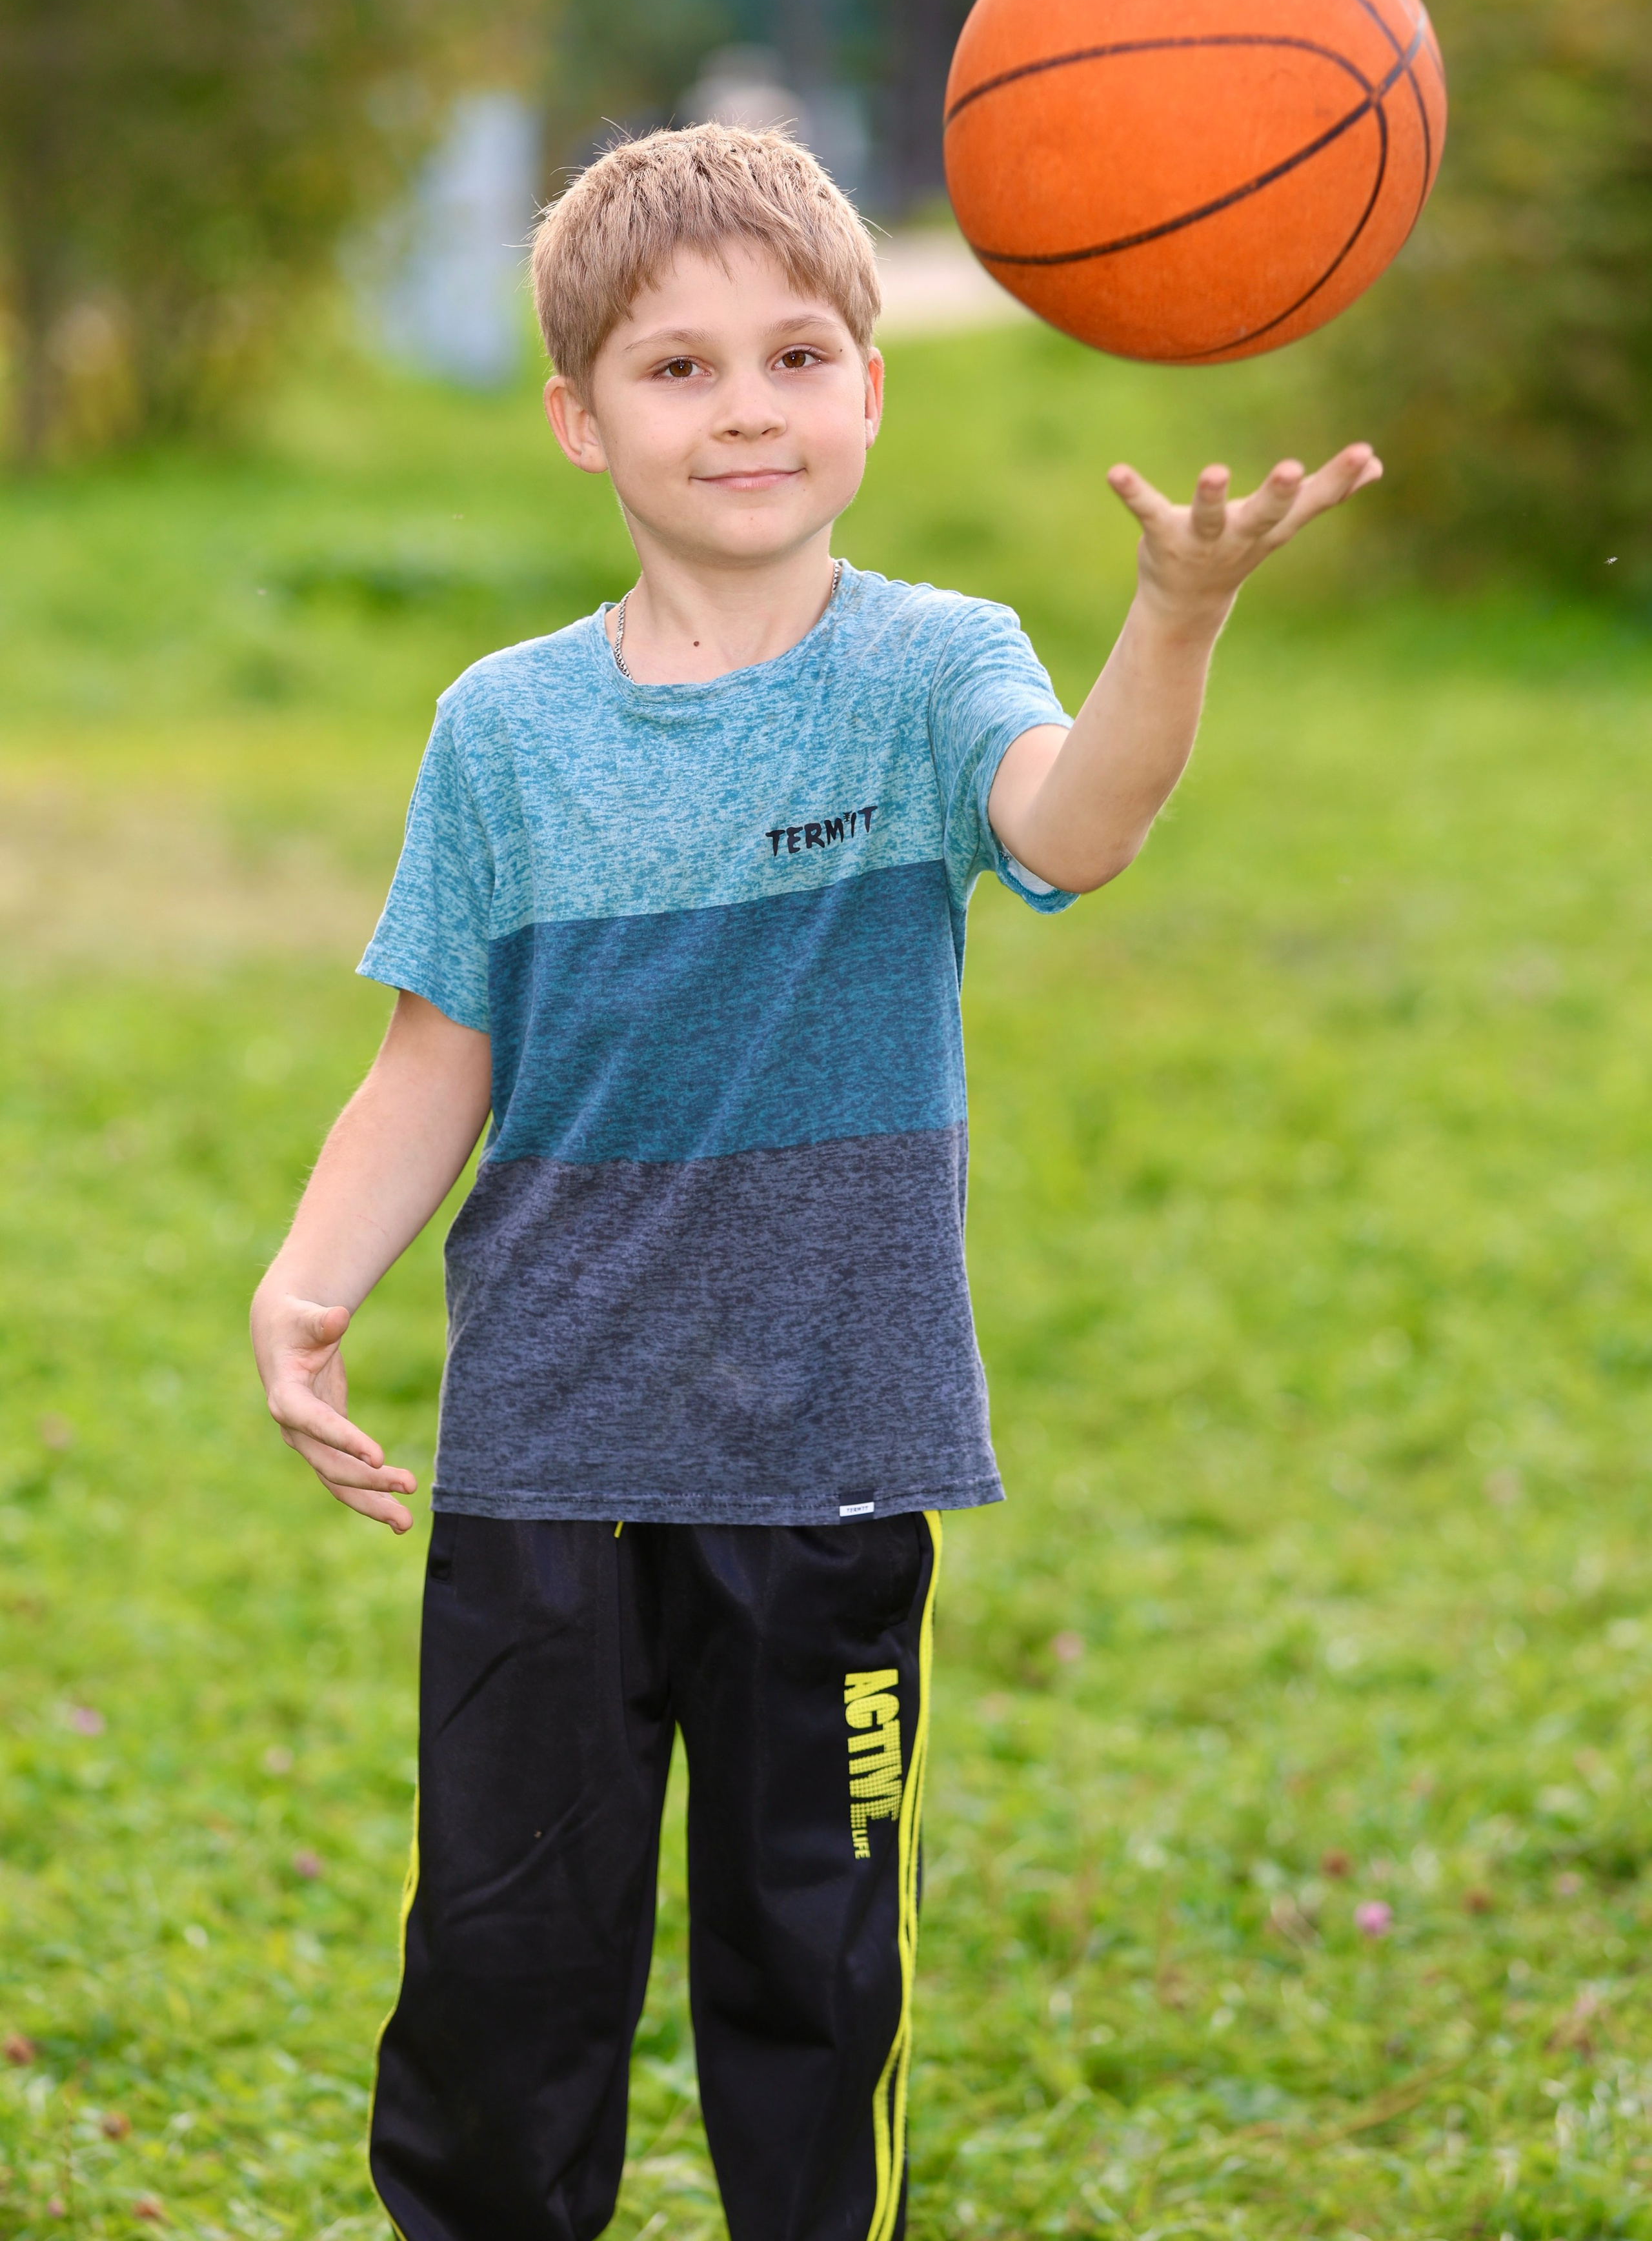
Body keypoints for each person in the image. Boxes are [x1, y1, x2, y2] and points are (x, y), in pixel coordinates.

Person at [248, 123, 1379, 2241]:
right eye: (677, 371)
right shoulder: (502, 729)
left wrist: (1179, 620)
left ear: (872, 387)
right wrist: (309, 1279)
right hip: (547, 1465)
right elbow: (436, 1051)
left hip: (835, 1470)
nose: (745, 406)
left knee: (810, 1986)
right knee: (502, 1986)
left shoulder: (932, 665)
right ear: (581, 421)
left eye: (792, 356)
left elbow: (1075, 827)